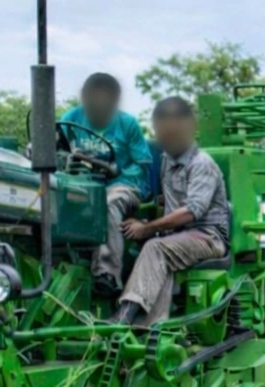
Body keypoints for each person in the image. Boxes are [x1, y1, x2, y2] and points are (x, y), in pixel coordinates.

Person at [111, 97, 231, 326]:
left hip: (207, 236)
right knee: (153, 247)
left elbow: (191, 212)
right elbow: (164, 202)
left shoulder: (202, 164)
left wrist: (147, 228)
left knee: (156, 247)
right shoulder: (167, 160)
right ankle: (150, 327)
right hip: (178, 236)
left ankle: (125, 316)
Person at [59, 73, 153, 292]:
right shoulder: (71, 118)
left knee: (106, 203)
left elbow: (143, 163)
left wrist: (116, 171)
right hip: (81, 181)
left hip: (125, 184)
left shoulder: (127, 123)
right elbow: (58, 147)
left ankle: (107, 273)